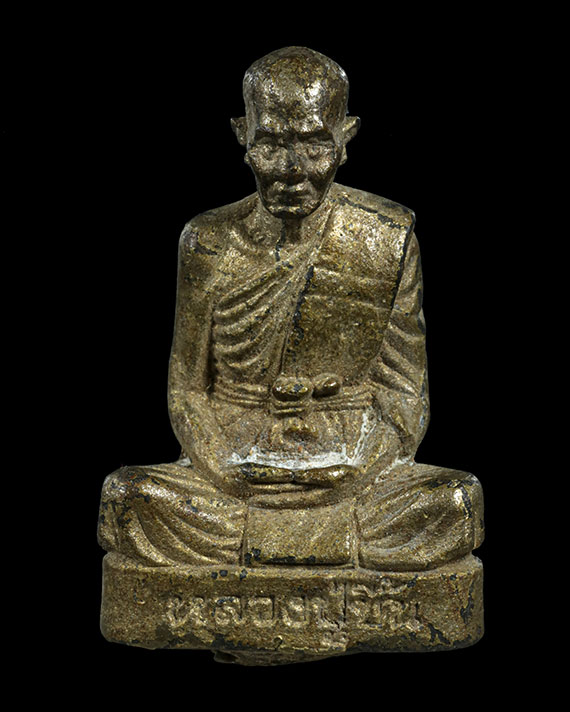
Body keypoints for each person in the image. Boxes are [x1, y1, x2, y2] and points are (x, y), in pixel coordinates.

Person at [98, 47, 483, 571]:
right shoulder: (208, 241)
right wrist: (226, 468)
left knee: (454, 503)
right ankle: (321, 547)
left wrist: (358, 469)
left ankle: (274, 544)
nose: (292, 170)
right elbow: (187, 389)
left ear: (345, 139)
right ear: (243, 136)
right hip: (235, 466)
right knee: (130, 498)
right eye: (271, 144)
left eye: (315, 144)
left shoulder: (386, 237)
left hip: (350, 466)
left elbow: (405, 395)